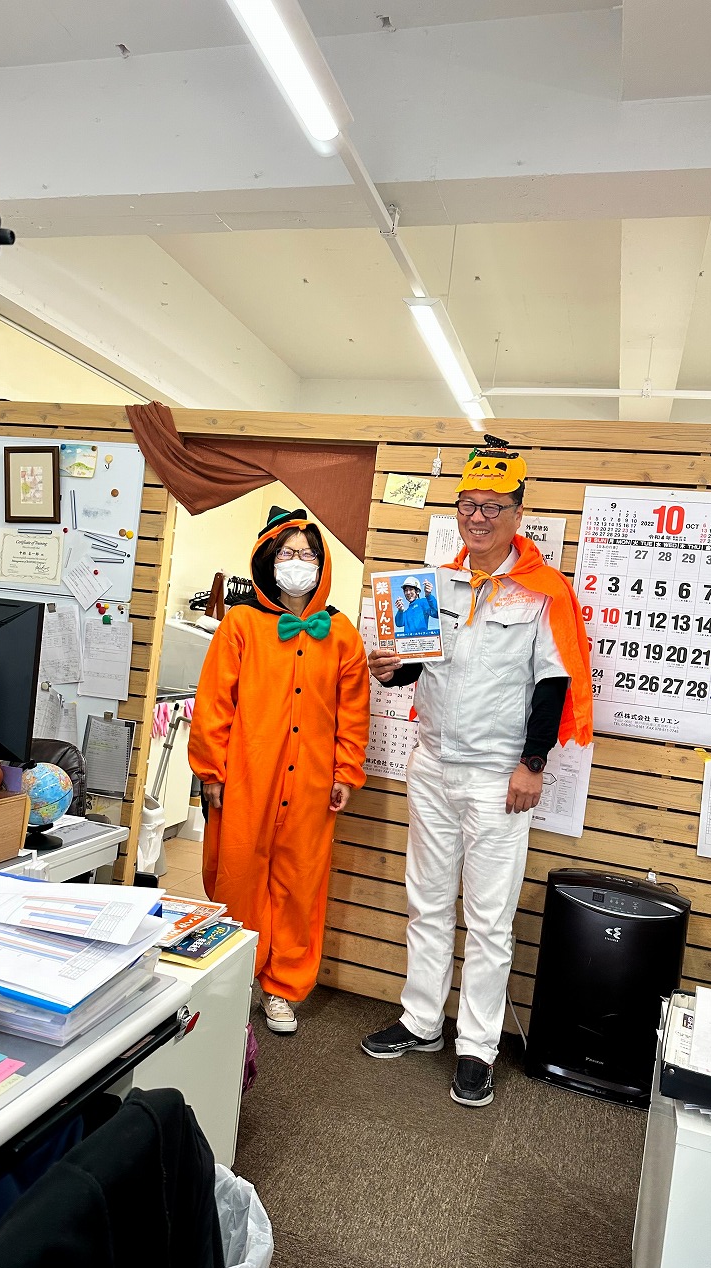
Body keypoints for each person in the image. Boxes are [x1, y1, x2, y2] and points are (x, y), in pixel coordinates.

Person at [361, 437, 593, 1106]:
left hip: (498, 778)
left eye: (493, 506)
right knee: (427, 901)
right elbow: (414, 666)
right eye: (469, 504)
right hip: (431, 765)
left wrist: (533, 764)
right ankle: (421, 1020)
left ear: (519, 513)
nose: (479, 518)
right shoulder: (433, 584)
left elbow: (553, 682)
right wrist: (388, 668)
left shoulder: (543, 592)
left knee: (489, 919)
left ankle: (478, 1046)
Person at [188, 507, 370, 1035]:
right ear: (269, 560)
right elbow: (214, 702)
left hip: (312, 783)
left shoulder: (342, 634)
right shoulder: (240, 625)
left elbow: (354, 711)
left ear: (322, 564)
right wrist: (211, 771)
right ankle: (232, 977)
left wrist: (345, 771)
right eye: (288, 553)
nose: (298, 562)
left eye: (308, 554)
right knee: (237, 876)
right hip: (247, 776)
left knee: (299, 886)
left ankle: (282, 989)